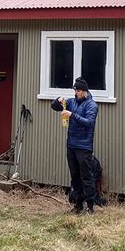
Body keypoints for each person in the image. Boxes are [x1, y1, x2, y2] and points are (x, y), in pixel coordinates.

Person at [51, 76, 100, 214]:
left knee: (86, 177)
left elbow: (89, 123)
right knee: (75, 177)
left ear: (84, 91)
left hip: (84, 147)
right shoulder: (72, 102)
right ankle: (78, 205)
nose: (75, 93)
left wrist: (72, 115)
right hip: (71, 146)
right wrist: (58, 100)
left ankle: (90, 206)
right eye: (75, 90)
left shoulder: (91, 105)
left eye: (78, 90)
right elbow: (54, 107)